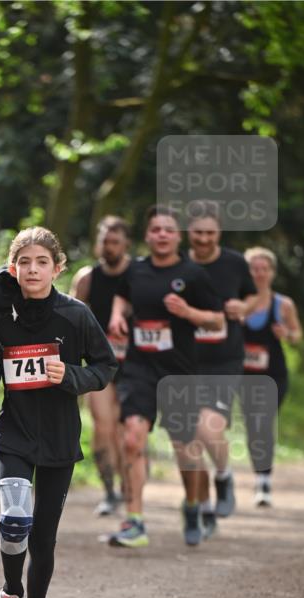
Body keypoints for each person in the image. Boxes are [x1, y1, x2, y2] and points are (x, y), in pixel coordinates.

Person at [0, 227, 117, 598]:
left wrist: (70, 376)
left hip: (58, 437)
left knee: (44, 538)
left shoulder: (75, 315)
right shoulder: (1, 314)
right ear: (12, 266)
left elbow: (106, 366)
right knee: (15, 519)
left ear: (58, 268)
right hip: (14, 433)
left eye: (41, 262)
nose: (32, 270)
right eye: (24, 262)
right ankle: (8, 596)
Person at [107, 206, 225, 547]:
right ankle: (136, 521)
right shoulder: (136, 270)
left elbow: (217, 321)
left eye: (168, 229)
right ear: (147, 235)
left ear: (178, 236)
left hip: (178, 372)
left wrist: (188, 312)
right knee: (132, 438)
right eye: (155, 228)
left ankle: (191, 506)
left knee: (186, 449)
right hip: (139, 368)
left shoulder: (193, 274)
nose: (161, 234)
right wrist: (117, 316)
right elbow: (121, 295)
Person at [187, 206, 257, 536]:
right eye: (198, 232)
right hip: (183, 362)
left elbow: (254, 297)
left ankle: (225, 476)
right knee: (190, 440)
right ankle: (203, 508)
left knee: (206, 428)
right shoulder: (176, 265)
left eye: (210, 233)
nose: (203, 239)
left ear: (219, 234)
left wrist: (244, 307)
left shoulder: (234, 263)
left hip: (223, 360)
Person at [70, 216, 131, 515]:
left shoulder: (140, 274)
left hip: (136, 365)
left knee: (127, 430)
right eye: (105, 241)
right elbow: (69, 321)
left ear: (126, 244)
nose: (109, 247)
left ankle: (128, 488)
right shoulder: (87, 278)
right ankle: (109, 492)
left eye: (115, 242)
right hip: (100, 365)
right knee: (103, 428)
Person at [240, 247, 302, 507]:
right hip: (244, 375)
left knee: (264, 420)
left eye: (264, 268)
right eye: (254, 268)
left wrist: (286, 333)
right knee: (252, 424)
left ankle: (264, 481)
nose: (259, 273)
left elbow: (298, 335)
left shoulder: (283, 304)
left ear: (272, 272)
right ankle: (259, 473)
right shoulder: (238, 302)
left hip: (274, 374)